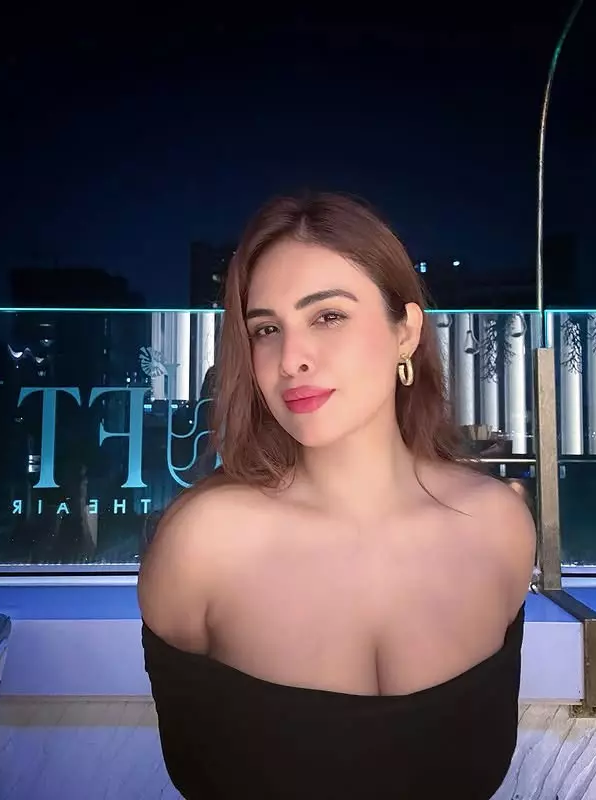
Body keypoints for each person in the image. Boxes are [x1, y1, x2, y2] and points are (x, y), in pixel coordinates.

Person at [138, 192, 536, 799]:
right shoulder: (203, 547)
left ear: (406, 332)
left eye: (327, 316)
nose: (291, 359)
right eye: (266, 329)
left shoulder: (499, 529)